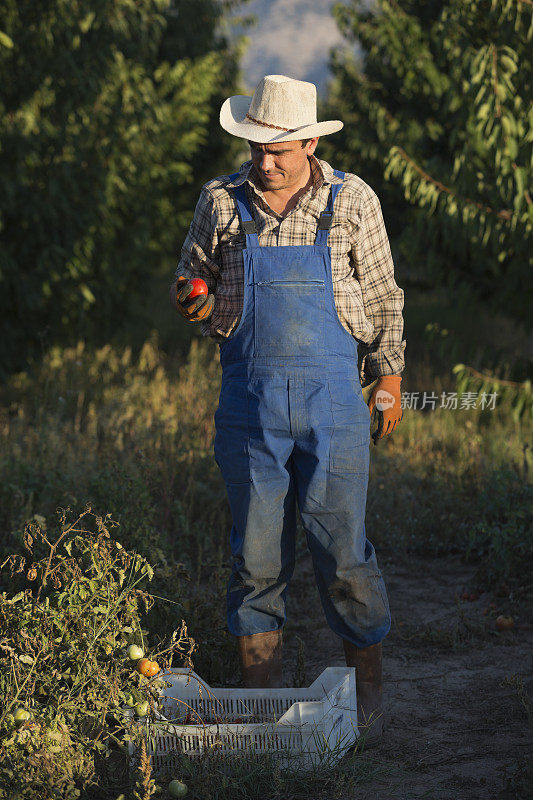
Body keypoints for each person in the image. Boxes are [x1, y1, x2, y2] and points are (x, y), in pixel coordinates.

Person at [170, 74, 406, 742]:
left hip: (333, 400)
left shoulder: (349, 199)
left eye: (279, 150)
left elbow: (384, 294)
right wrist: (194, 298)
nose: (265, 163)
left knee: (344, 553)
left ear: (307, 141)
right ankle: (260, 711)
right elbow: (190, 280)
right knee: (255, 558)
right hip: (249, 402)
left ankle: (370, 701)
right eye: (255, 149)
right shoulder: (220, 201)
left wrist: (388, 377)